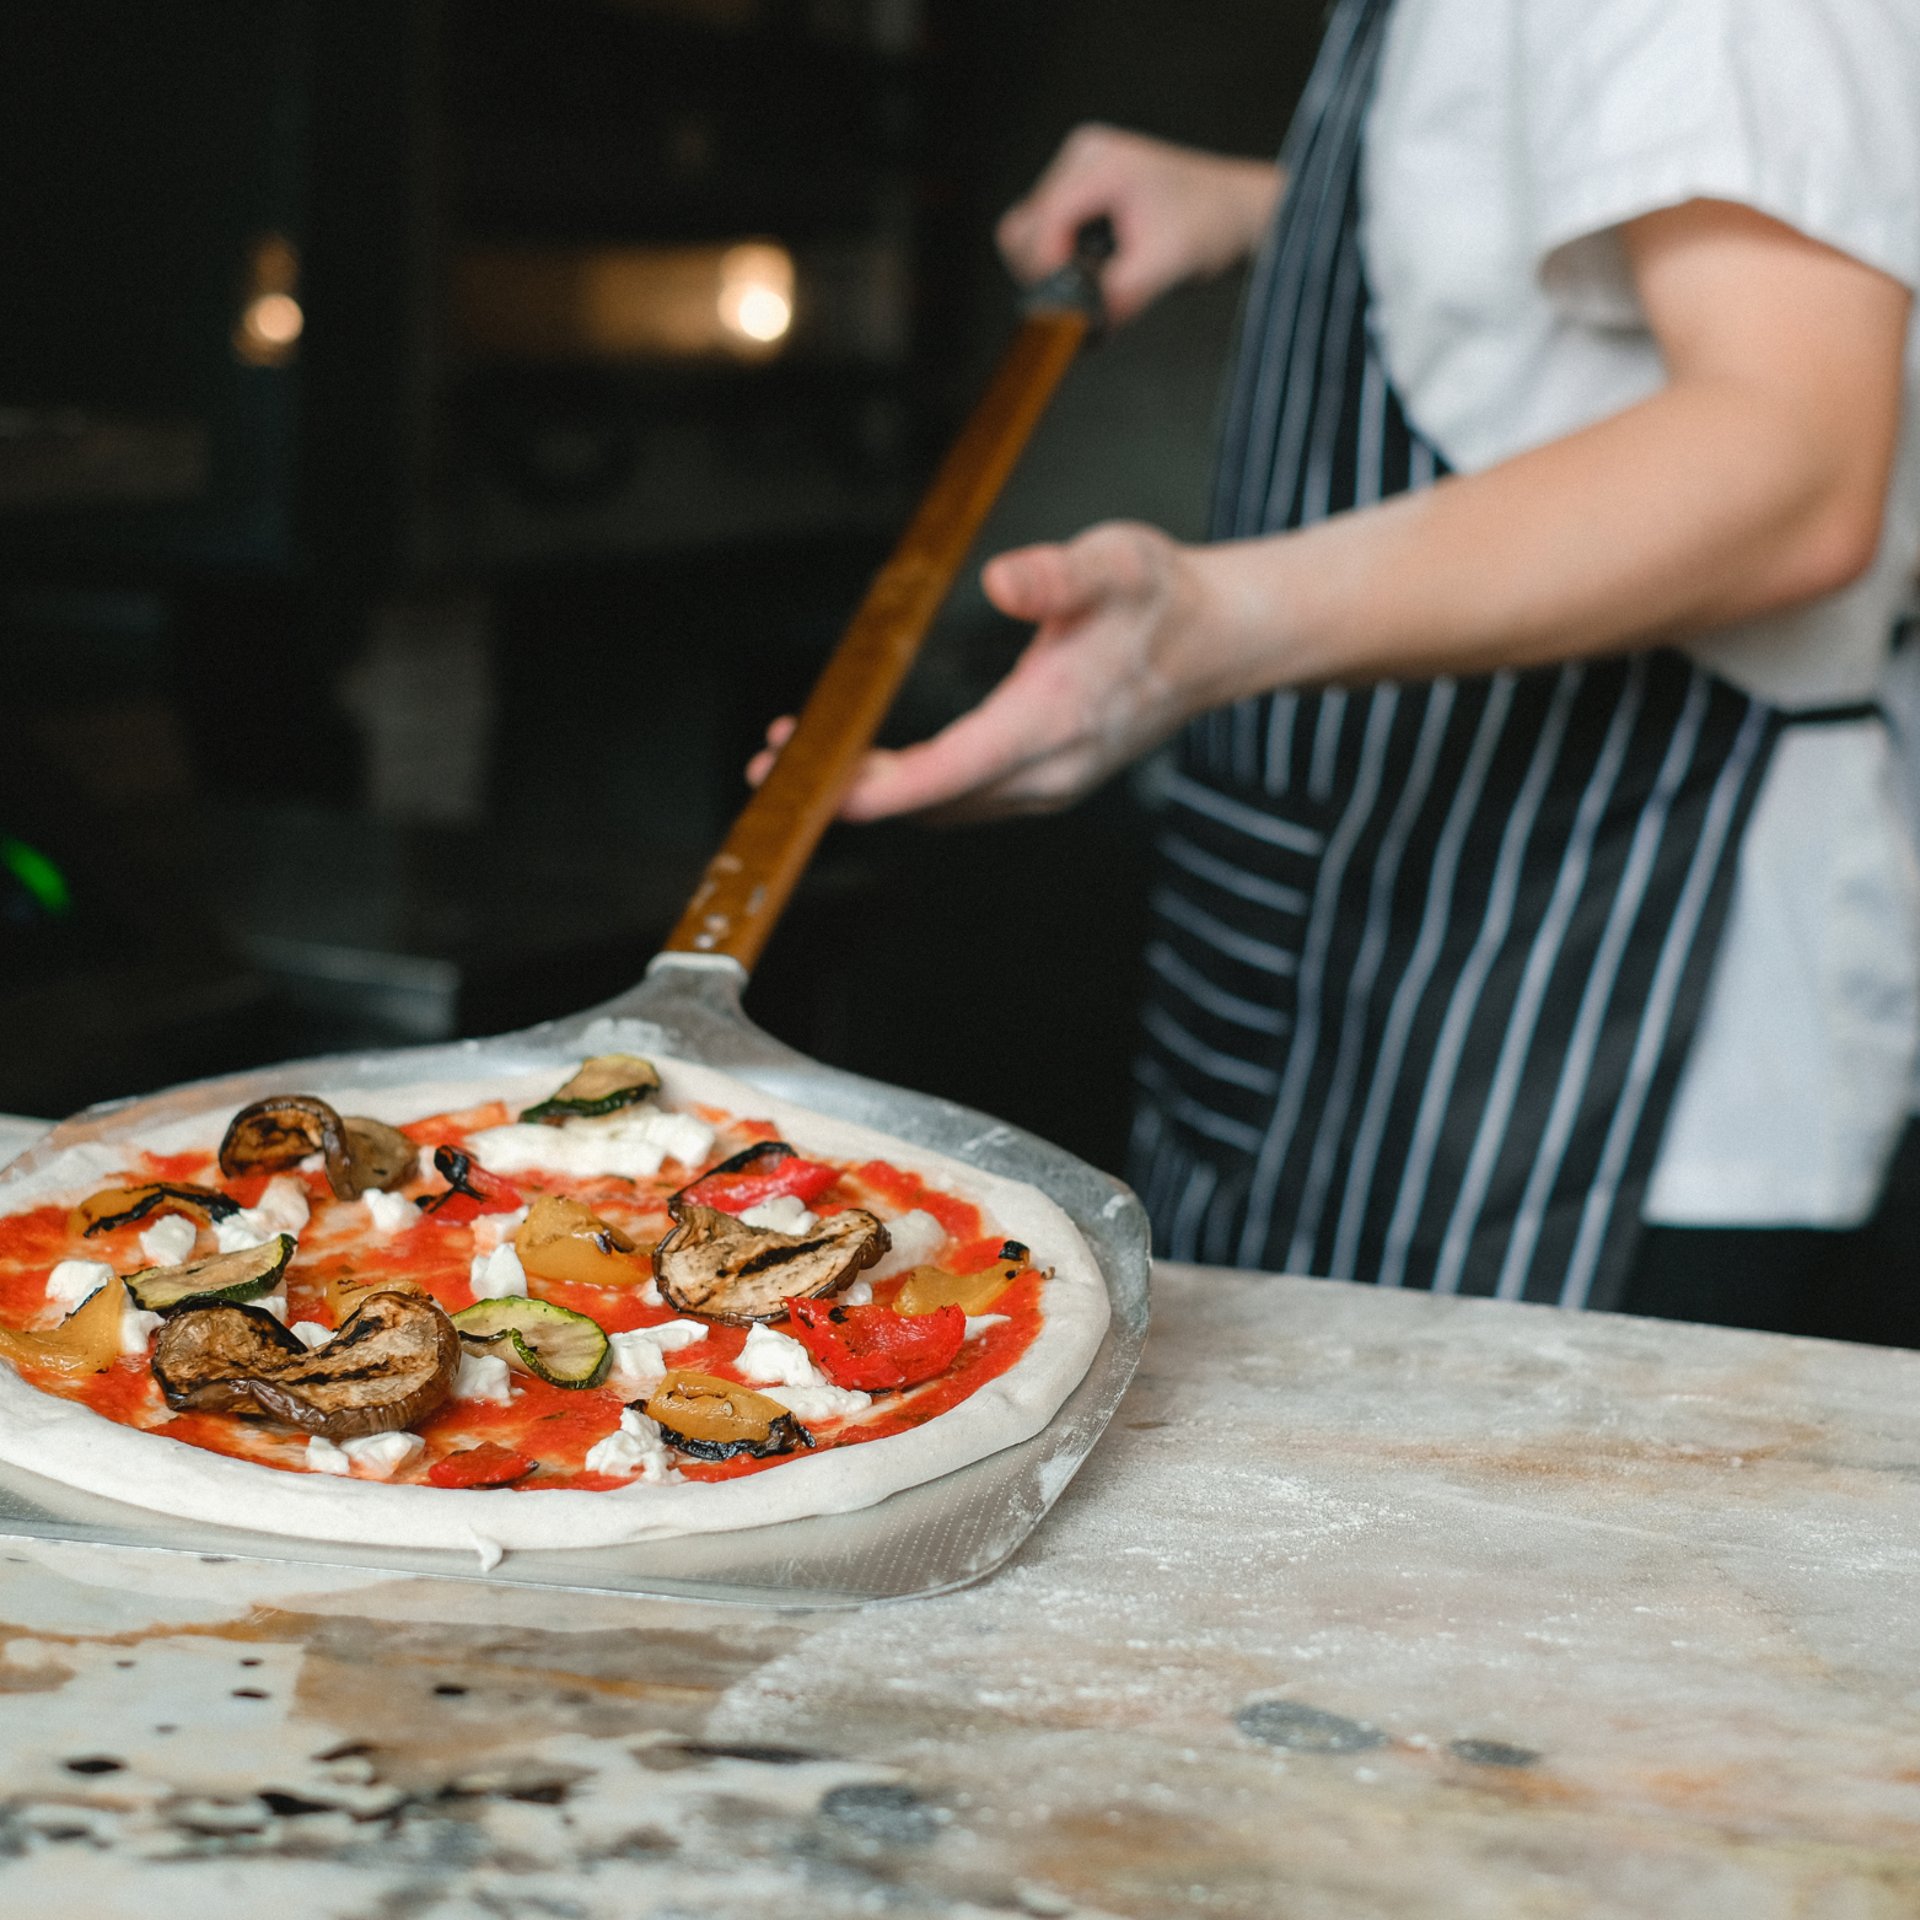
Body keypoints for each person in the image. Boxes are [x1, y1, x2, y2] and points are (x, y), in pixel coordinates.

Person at [755, 0, 1920, 1324]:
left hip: (1585, 1022)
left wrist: (1190, 633)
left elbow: (1798, 463)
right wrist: (1281, 206)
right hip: (1365, 956)